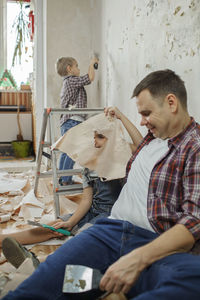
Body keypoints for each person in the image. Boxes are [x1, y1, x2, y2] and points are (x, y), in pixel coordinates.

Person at [3, 69, 200, 300]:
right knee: (43, 282)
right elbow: (137, 143)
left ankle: (106, 287)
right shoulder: (152, 137)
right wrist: (118, 115)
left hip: (156, 243)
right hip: (111, 230)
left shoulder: (193, 147)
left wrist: (139, 258)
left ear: (171, 102)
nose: (142, 121)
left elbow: (193, 222)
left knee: (189, 280)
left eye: (146, 113)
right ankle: (94, 285)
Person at [1, 113, 142, 269]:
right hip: (92, 212)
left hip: (112, 216)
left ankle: (40, 261)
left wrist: (122, 117)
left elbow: (142, 145)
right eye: (94, 137)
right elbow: (87, 200)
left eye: (100, 137)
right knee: (54, 226)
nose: (94, 141)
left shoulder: (125, 157)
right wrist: (70, 222)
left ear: (113, 138)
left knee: (84, 237)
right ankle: (3, 238)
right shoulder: (90, 163)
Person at [56, 56, 99, 185]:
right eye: (77, 66)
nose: (78, 68)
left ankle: (63, 178)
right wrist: (92, 64)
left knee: (67, 151)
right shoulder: (71, 80)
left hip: (67, 121)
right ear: (69, 69)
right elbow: (89, 78)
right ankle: (66, 180)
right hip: (72, 121)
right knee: (73, 151)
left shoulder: (68, 82)